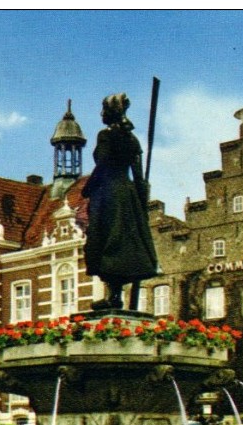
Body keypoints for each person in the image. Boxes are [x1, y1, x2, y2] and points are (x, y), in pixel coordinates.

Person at [81, 92, 159, 311]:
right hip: (128, 194)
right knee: (124, 243)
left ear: (109, 112)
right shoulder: (132, 140)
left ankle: (114, 295)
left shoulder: (105, 136)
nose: (101, 113)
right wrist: (141, 198)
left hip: (109, 194)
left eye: (103, 109)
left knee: (105, 241)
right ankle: (115, 297)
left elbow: (103, 164)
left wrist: (88, 188)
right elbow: (140, 176)